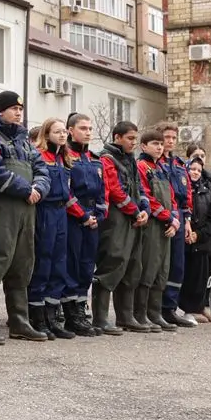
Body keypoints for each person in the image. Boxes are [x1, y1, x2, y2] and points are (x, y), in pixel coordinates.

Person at [0, 91, 49, 342]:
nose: (18, 113)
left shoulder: (24, 140)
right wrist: (25, 189)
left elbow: (42, 169)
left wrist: (38, 188)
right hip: (1, 208)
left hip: (27, 209)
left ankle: (19, 322)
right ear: (0, 111)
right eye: (13, 109)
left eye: (20, 109)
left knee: (22, 264)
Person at [94, 121, 146, 335]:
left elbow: (139, 187)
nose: (134, 143)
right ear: (117, 137)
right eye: (130, 138)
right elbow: (115, 190)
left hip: (133, 218)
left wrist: (143, 209)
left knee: (132, 265)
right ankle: (100, 318)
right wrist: (135, 211)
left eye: (135, 139)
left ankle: (126, 316)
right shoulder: (107, 158)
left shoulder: (130, 159)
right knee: (113, 262)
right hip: (116, 219)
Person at [28, 118, 75, 339]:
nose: (63, 135)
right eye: (57, 132)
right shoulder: (40, 156)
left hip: (61, 212)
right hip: (45, 210)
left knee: (59, 264)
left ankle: (52, 316)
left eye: (64, 131)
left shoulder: (63, 158)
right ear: (46, 135)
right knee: (43, 262)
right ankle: (37, 317)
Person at [61, 112, 106, 337]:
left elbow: (102, 190)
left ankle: (80, 309)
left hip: (92, 219)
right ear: (71, 131)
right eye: (83, 128)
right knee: (72, 265)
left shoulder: (94, 159)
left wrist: (99, 213)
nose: (88, 132)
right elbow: (66, 191)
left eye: (90, 128)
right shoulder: (65, 156)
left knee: (87, 266)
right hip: (73, 218)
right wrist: (82, 215)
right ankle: (71, 315)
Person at [129, 129, 178, 333]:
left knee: (162, 269)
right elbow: (147, 197)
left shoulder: (162, 168)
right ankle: (141, 313)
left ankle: (155, 313)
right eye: (155, 144)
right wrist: (167, 217)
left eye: (161, 144)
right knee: (148, 268)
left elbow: (172, 197)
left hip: (167, 226)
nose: (159, 147)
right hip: (152, 225)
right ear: (144, 146)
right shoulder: (141, 166)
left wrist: (174, 220)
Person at [159, 123, 197, 328]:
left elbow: (187, 194)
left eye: (174, 138)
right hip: (163, 216)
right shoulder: (155, 163)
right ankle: (156, 307)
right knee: (161, 264)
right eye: (167, 137)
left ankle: (170, 307)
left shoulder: (180, 164)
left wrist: (188, 220)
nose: (170, 141)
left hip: (180, 217)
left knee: (177, 264)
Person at [180, 157, 211, 323]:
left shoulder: (207, 192)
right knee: (185, 276)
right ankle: (185, 309)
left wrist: (198, 234)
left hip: (200, 241)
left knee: (200, 278)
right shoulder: (181, 189)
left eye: (198, 170)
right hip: (183, 240)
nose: (195, 172)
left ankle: (197, 308)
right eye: (192, 169)